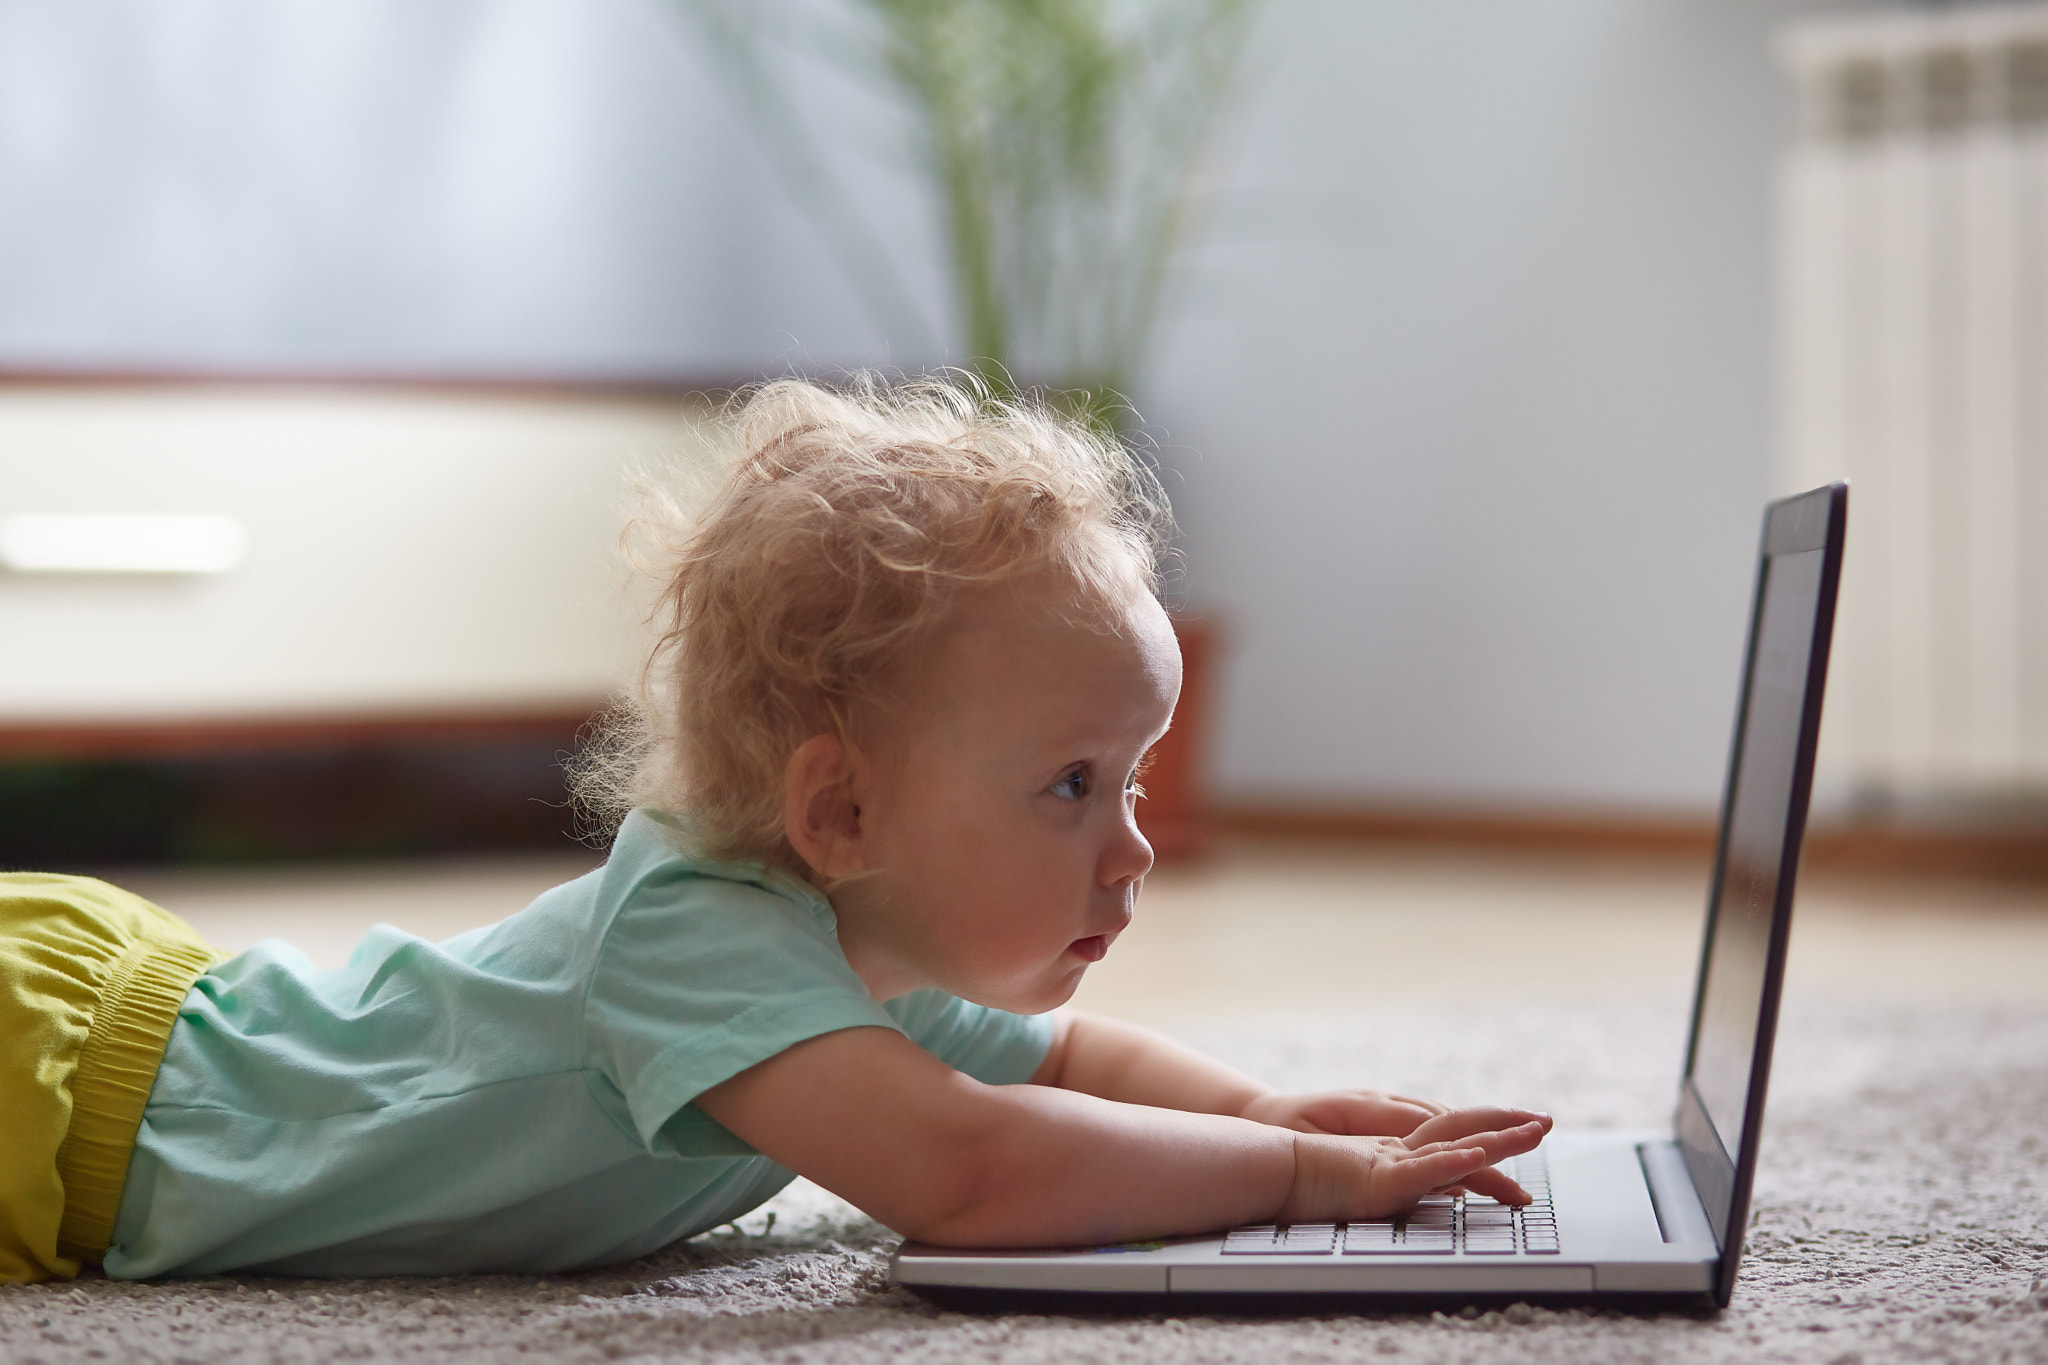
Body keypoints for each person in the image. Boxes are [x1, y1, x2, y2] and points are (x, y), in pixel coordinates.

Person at [0, 375, 1550, 1284]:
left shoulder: (857, 928)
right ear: (843, 807)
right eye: (1074, 784)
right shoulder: (695, 925)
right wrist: (1294, 1183)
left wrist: (1268, 1107)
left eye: (1133, 780)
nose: (1134, 845)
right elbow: (976, 1174)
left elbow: (1074, 1063)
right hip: (74, 1103)